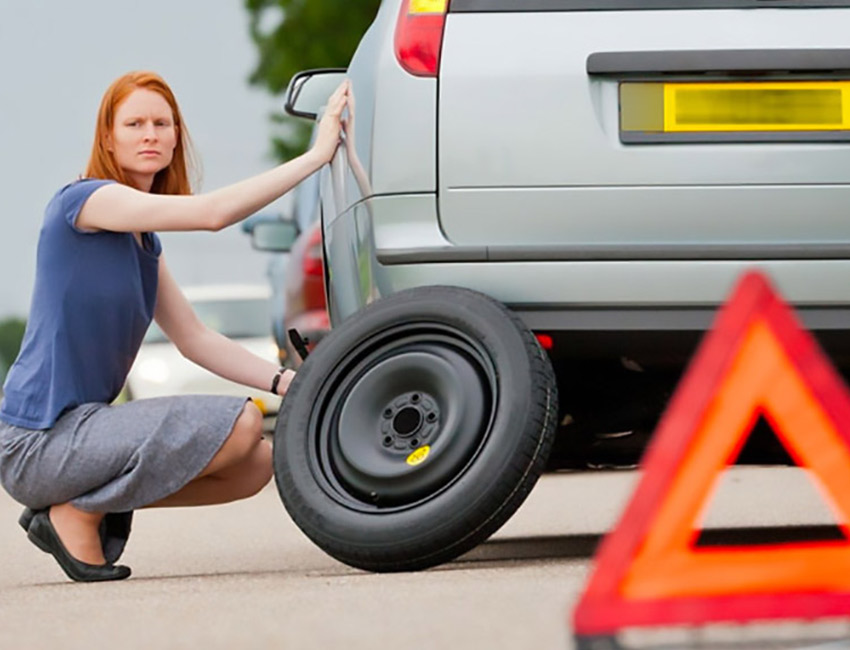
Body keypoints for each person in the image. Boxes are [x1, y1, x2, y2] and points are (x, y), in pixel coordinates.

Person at [0, 71, 349, 582]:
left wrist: (289, 384)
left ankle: (80, 505)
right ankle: (78, 511)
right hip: (37, 440)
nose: (150, 134)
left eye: (162, 123)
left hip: (85, 435)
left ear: (176, 137)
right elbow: (210, 214)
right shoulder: (85, 202)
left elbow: (195, 340)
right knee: (242, 423)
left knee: (257, 464)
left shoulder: (144, 242)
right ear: (108, 138)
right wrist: (316, 157)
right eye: (134, 123)